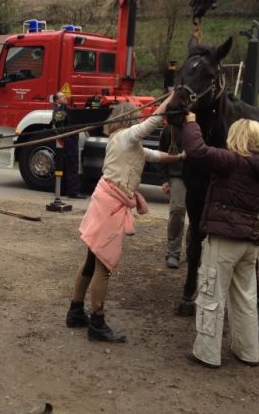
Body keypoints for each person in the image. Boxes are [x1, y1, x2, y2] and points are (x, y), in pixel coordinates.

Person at [66, 96, 180, 342]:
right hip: (110, 206)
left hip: (103, 202)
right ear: (131, 118)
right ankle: (97, 322)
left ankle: (75, 311)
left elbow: (154, 155)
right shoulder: (126, 137)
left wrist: (178, 158)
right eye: (137, 117)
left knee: (90, 261)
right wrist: (171, 99)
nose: (140, 120)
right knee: (103, 267)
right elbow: (151, 123)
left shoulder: (124, 142)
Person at [181, 113, 259, 368]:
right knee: (245, 298)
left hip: (224, 239)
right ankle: (248, 352)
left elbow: (197, 150)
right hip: (248, 241)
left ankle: (207, 353)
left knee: (211, 295)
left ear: (237, 137)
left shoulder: (231, 161)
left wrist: (191, 122)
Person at [158, 123, 187, 269]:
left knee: (198, 216)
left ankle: (193, 250)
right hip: (178, 175)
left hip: (198, 176)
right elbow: (162, 153)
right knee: (177, 210)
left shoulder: (201, 124)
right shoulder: (169, 129)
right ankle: (173, 253)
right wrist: (164, 179)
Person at [53, 92, 85, 199]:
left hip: (70, 140)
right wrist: (67, 141)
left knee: (69, 166)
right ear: (56, 100)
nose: (64, 97)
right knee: (72, 166)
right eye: (61, 97)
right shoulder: (60, 111)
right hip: (69, 141)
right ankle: (73, 192)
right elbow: (60, 128)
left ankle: (66, 190)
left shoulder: (64, 109)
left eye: (64, 96)